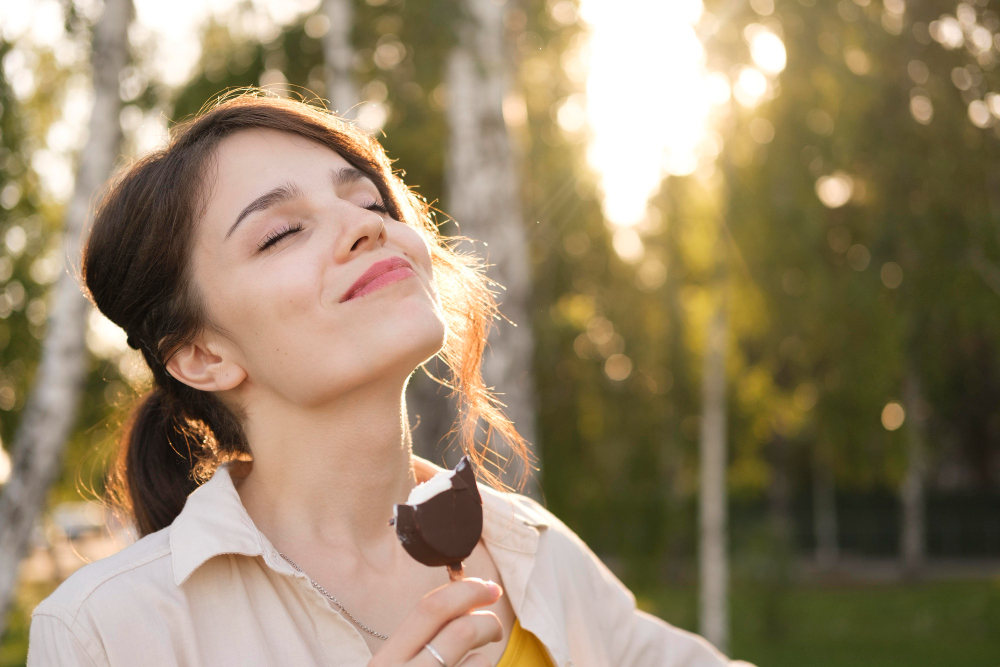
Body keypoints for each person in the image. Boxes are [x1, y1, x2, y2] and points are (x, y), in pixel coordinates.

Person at [27, 93, 742, 667]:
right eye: (280, 233)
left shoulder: (533, 550)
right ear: (202, 355)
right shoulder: (104, 633)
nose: (365, 227)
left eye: (369, 203)